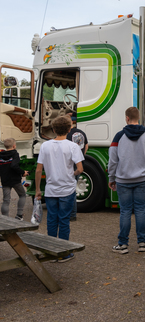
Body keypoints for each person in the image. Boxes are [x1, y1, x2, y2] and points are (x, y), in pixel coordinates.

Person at [108, 107, 145, 254]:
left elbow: (112, 160)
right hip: (143, 178)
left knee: (125, 210)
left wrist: (112, 178)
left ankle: (123, 245)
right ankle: (142, 242)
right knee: (140, 209)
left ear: (127, 118)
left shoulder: (118, 136)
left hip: (123, 180)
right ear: (139, 118)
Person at [34, 116, 84, 262]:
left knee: (51, 219)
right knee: (64, 220)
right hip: (67, 189)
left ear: (53, 129)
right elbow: (80, 169)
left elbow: (38, 170)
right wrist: (72, 173)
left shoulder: (45, 146)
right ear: (69, 130)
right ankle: (63, 253)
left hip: (50, 189)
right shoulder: (73, 146)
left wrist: (38, 189)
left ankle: (51, 251)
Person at [66, 112, 88, 221]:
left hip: (70, 165)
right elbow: (87, 145)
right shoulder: (81, 132)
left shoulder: (67, 134)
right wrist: (81, 156)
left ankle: (71, 214)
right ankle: (73, 214)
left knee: (68, 191)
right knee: (73, 190)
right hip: (79, 163)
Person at [0, 138, 29, 221]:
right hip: (15, 180)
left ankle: (5, 219)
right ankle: (19, 215)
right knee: (22, 195)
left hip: (5, 180)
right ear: (14, 146)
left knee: (6, 200)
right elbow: (14, 166)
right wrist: (22, 172)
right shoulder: (15, 154)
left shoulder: (1, 155)